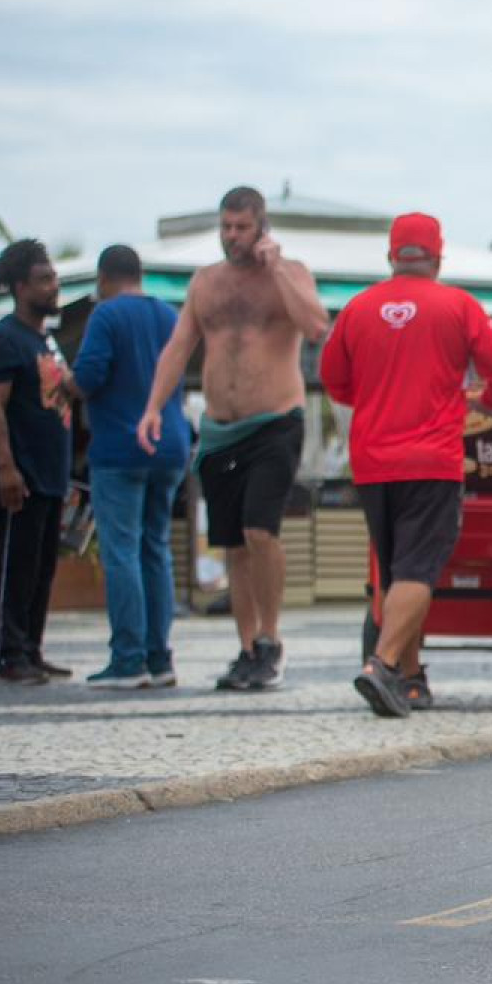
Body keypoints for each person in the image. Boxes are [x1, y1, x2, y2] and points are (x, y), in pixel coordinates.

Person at [321, 213, 492, 717]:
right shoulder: (457, 305)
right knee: (417, 567)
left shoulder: (357, 309)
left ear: (392, 256)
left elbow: (334, 379)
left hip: (371, 461)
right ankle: (383, 664)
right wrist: (490, 401)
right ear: (437, 256)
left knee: (394, 571)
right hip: (431, 458)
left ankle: (410, 680)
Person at [140, 186, 329, 691]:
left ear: (262, 227)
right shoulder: (207, 283)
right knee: (232, 544)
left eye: (241, 227)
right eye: (225, 227)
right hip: (221, 431)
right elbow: (179, 348)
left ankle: (271, 639)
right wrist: (154, 408)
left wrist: (279, 268)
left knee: (260, 532)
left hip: (275, 422)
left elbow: (315, 325)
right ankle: (246, 647)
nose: (231, 236)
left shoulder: (290, 275)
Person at [71, 246, 190, 688]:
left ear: (103, 279)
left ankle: (128, 658)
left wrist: (64, 384)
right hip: (171, 445)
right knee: (155, 548)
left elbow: (88, 376)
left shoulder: (106, 315)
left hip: (121, 448)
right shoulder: (169, 314)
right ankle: (160, 658)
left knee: (121, 551)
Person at [0, 240, 76, 684]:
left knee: (40, 568)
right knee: (13, 566)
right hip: (21, 473)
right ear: (20, 287)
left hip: (51, 473)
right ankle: (10, 653)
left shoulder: (45, 339)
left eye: (53, 277)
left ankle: (31, 649)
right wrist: (5, 467)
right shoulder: (4, 339)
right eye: (44, 279)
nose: (54, 286)